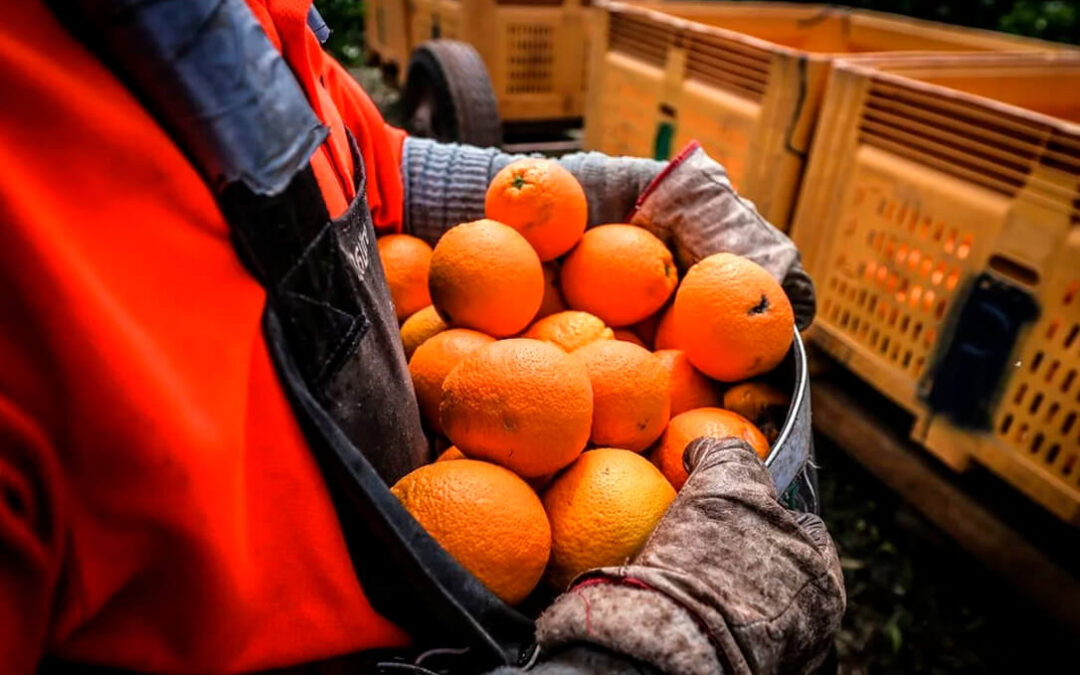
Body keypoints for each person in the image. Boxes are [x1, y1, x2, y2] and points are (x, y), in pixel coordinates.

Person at [0, 1, 845, 674]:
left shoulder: (224, 15)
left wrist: (603, 196)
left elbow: (362, 165)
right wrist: (635, 656)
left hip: (469, 502)